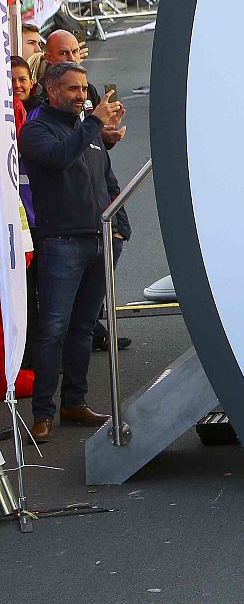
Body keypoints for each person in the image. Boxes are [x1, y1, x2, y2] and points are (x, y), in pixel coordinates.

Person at [21, 61, 126, 442]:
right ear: (51, 91)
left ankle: (74, 402)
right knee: (52, 331)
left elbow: (107, 180)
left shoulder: (91, 132)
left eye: (84, 89)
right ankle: (43, 413)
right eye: (72, 89)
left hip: (99, 240)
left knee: (83, 328)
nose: (82, 96)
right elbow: (60, 157)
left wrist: (121, 229)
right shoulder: (36, 130)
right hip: (61, 244)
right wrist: (93, 125)